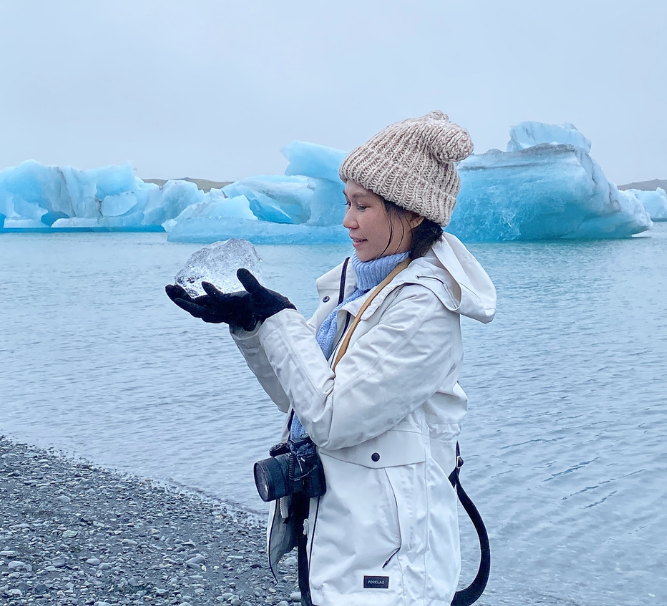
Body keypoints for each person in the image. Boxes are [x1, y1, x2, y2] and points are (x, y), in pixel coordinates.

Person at [167, 111, 496, 606]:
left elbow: (334, 418)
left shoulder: (424, 308)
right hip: (342, 542)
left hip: (393, 568)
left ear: (412, 213)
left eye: (362, 206)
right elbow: (298, 399)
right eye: (347, 203)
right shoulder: (357, 287)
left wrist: (277, 319)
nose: (347, 221)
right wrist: (251, 326)